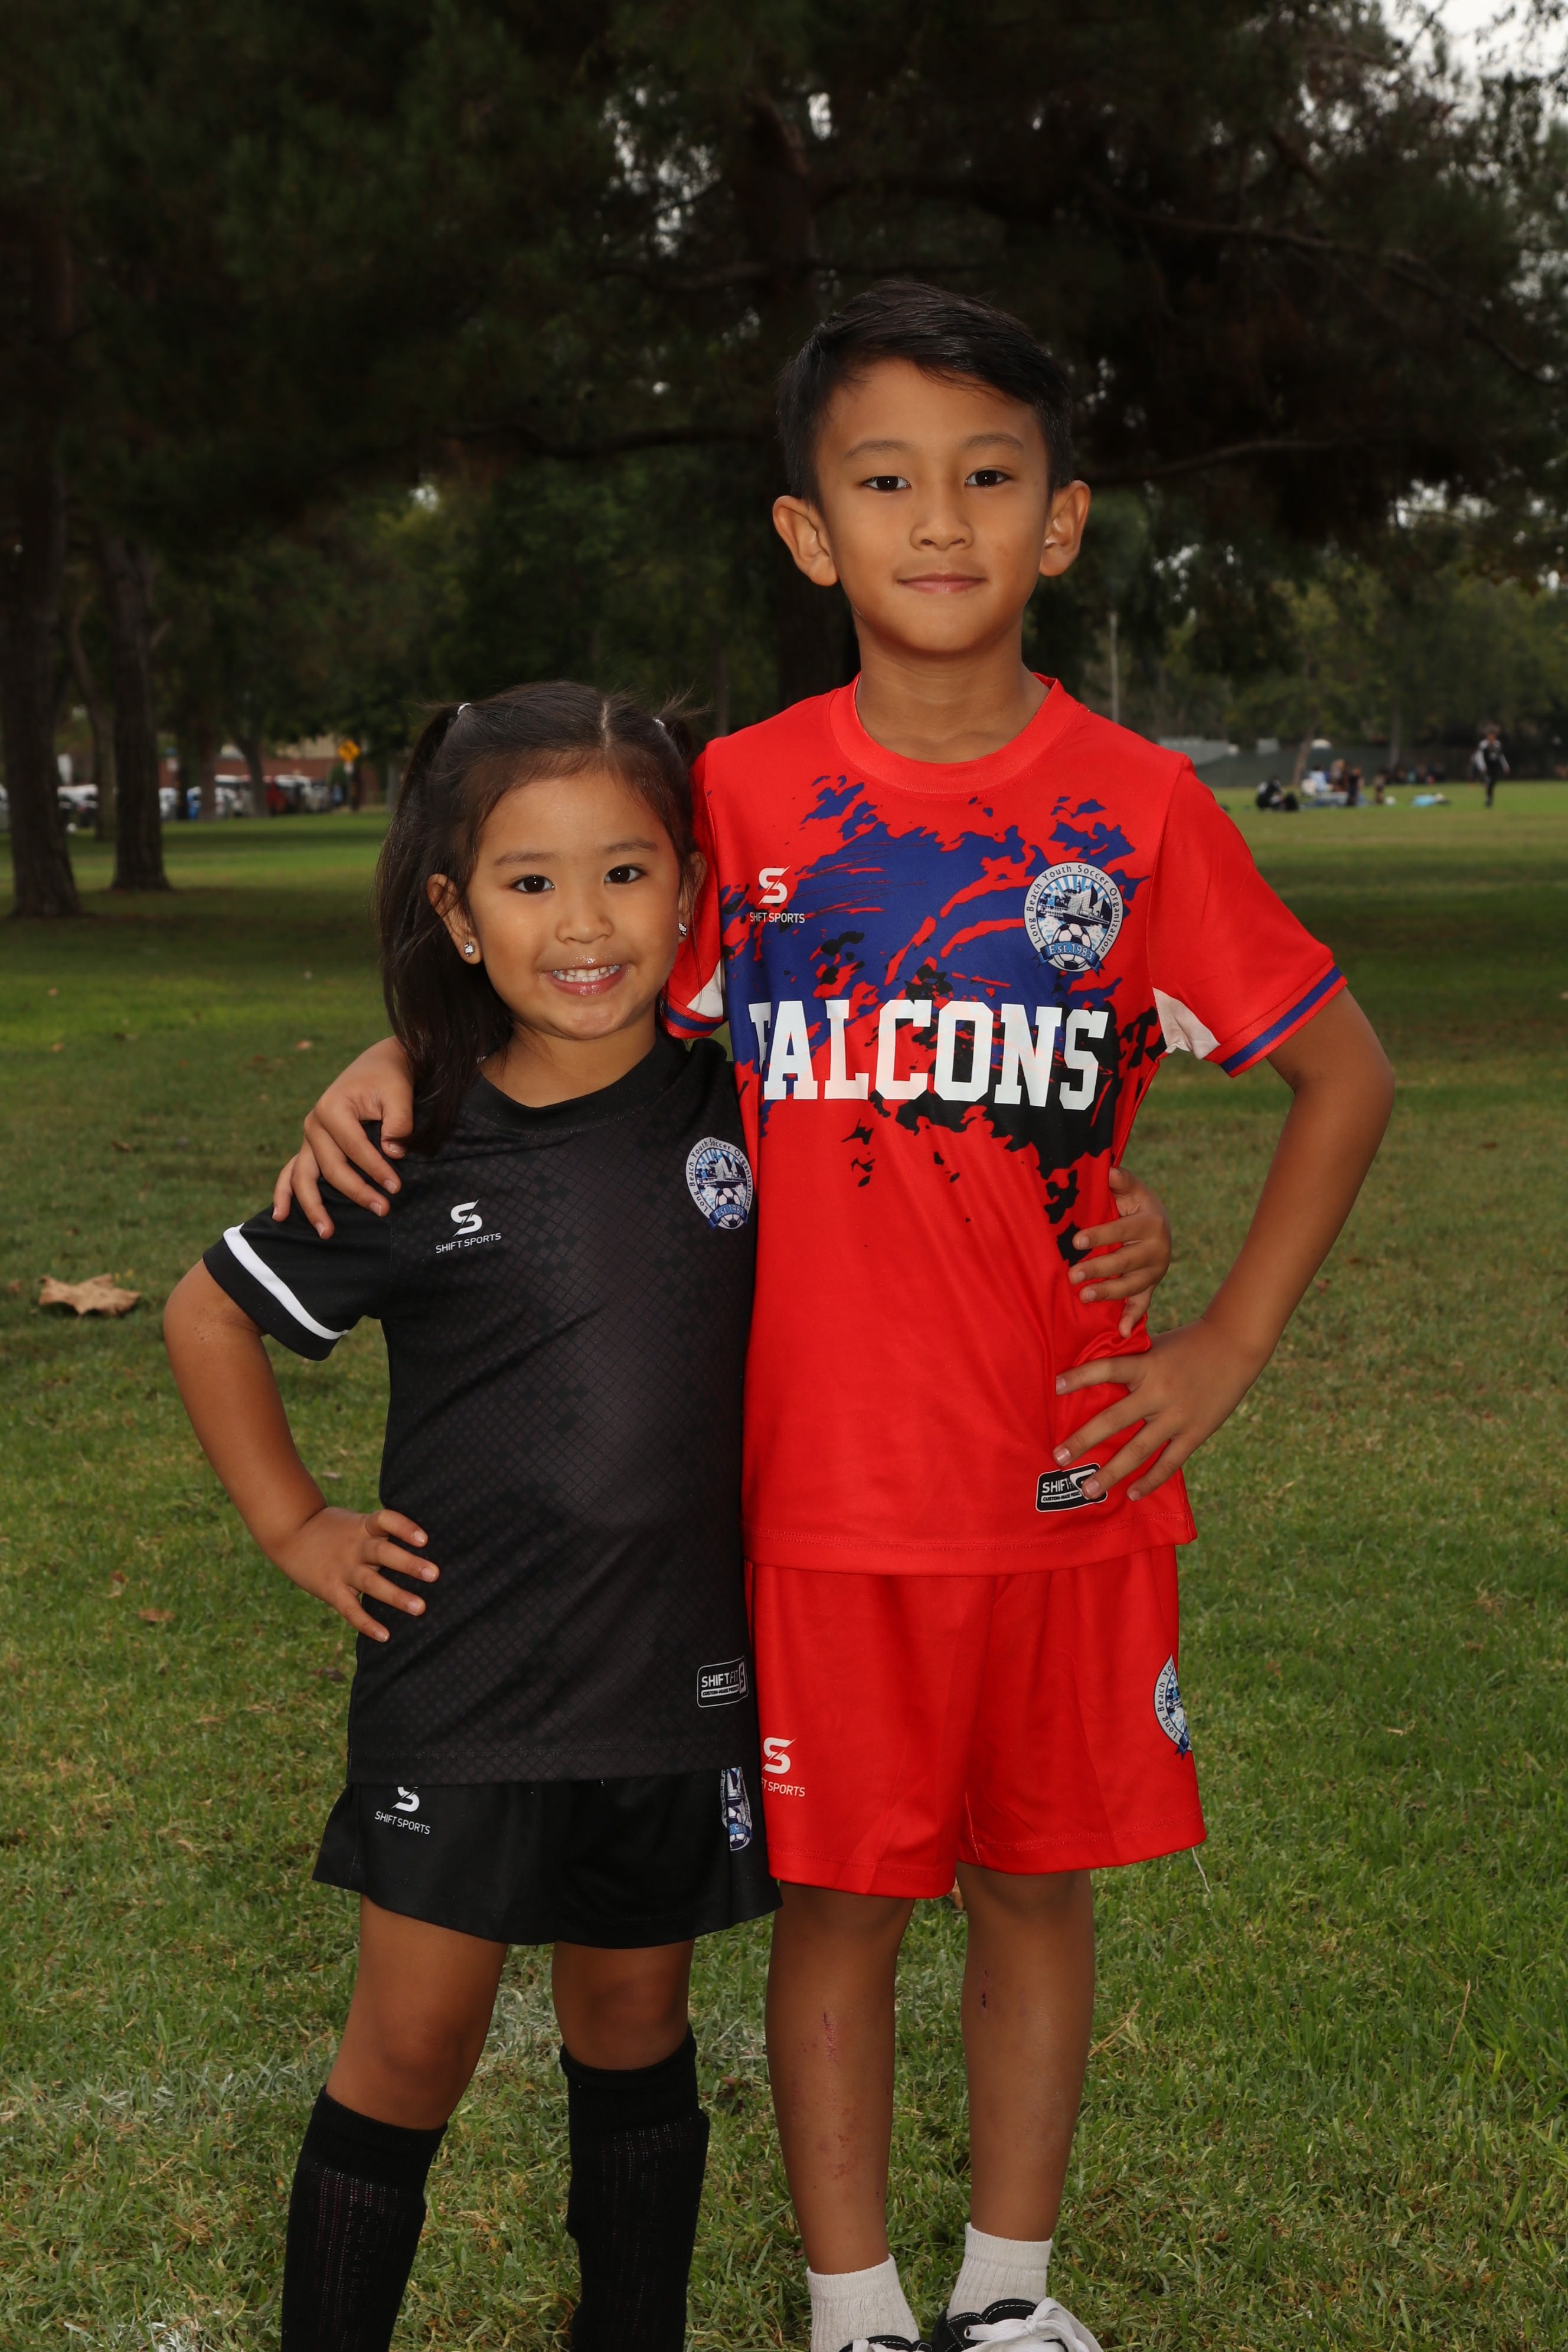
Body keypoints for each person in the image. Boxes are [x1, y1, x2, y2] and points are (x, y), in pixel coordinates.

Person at [276, 283, 1394, 2352]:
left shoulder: (1139, 808)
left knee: (1037, 1887)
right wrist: (394, 1056)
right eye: (885, 481)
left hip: (1063, 1475)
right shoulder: (744, 799)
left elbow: (1345, 1073)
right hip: (813, 1498)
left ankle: (1009, 2298)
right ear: (810, 532)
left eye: (990, 476)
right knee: (846, 1904)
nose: (940, 520)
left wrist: (1219, 1343)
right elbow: (578, 952)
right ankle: (854, 2304)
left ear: (1063, 520)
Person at [164, 685, 784, 2352]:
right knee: (413, 2042)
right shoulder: (410, 1140)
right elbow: (210, 1314)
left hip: (674, 1677)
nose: (583, 924)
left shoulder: (749, 1106)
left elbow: (932, 1179)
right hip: (470, 1682)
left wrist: (1128, 1215)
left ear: (690, 888)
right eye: (529, 882)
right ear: (455, 912)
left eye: (627, 873)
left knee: (635, 2020)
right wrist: (298, 1527)